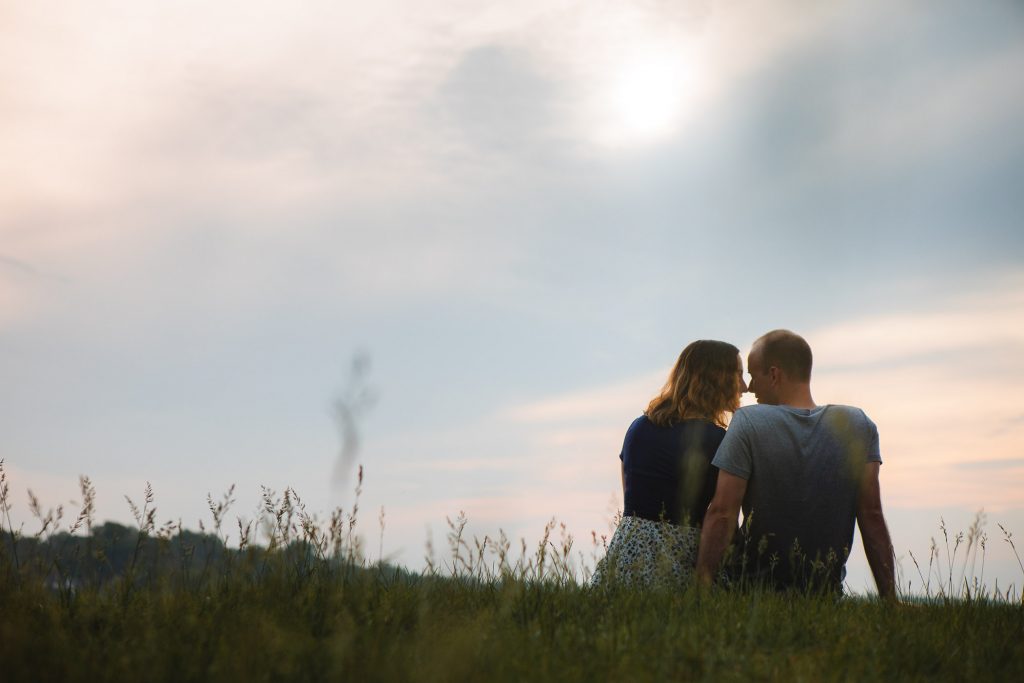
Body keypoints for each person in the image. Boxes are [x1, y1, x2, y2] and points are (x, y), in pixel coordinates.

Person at [695, 329, 896, 598]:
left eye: (753, 376)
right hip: (824, 595)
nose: (750, 387)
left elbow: (722, 512)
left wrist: (700, 591)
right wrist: (890, 599)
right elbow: (871, 515)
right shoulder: (857, 424)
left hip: (751, 592)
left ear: (774, 374)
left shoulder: (748, 422)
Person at [592, 340, 747, 588]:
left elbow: (631, 500)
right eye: (738, 375)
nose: (745, 387)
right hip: (682, 559)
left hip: (625, 558)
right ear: (717, 377)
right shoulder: (718, 440)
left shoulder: (638, 428)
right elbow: (721, 514)